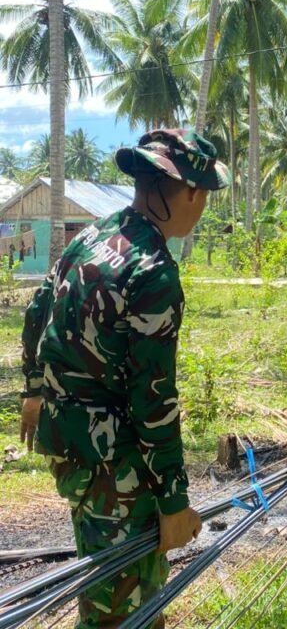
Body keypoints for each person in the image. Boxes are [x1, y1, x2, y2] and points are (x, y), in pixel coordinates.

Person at [19, 129, 230, 629]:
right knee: (118, 605)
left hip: (69, 443)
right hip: (115, 463)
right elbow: (153, 400)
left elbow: (37, 313)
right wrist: (175, 502)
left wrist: (33, 390)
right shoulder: (153, 269)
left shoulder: (93, 237)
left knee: (123, 581)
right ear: (193, 192)